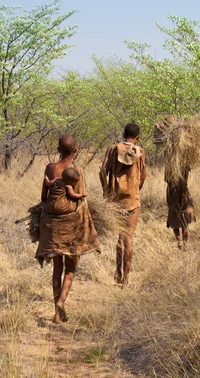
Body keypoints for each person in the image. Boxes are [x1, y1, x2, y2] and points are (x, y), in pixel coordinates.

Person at [35, 135, 98, 324]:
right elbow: (81, 201)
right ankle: (62, 302)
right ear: (76, 150)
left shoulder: (50, 168)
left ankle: (56, 310)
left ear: (58, 149)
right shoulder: (77, 171)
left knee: (57, 266)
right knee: (70, 268)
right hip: (70, 224)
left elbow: (43, 197)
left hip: (51, 224)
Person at [101, 123, 146, 287]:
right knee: (129, 238)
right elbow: (143, 176)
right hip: (132, 201)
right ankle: (125, 278)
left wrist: (106, 191)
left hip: (115, 201)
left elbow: (102, 171)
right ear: (137, 137)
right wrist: (135, 188)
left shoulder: (112, 149)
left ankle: (117, 273)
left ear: (123, 134)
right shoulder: (140, 151)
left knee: (120, 238)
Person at [165, 166, 195, 250]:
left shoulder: (184, 172)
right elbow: (167, 179)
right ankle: (180, 244)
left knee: (183, 223)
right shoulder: (170, 168)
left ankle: (183, 245)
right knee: (175, 224)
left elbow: (187, 169)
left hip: (182, 198)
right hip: (173, 198)